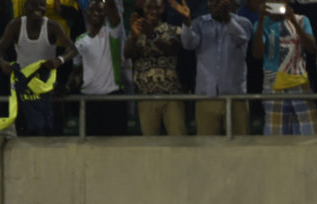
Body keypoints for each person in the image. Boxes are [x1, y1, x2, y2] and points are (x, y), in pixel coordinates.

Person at [0, 0, 78, 136]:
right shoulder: (15, 25)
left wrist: (59, 60)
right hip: (24, 90)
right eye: (34, 4)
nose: (38, 8)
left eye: (42, 5)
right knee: (25, 135)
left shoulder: (52, 26)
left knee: (51, 134)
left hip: (46, 89)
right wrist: (4, 64)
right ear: (26, 6)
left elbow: (72, 49)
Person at [173, 0, 253, 136]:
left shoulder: (243, 22)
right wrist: (187, 22)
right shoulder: (199, 23)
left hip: (235, 97)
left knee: (239, 144)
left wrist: (227, 19)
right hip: (206, 98)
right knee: (207, 145)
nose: (216, 4)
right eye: (213, 1)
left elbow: (242, 38)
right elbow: (188, 44)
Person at [252, 2, 317, 135]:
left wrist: (293, 22)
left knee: (310, 137)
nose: (276, 3)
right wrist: (260, 22)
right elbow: (257, 54)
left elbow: (312, 48)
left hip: (300, 85)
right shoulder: (261, 24)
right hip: (273, 87)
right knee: (275, 140)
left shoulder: (302, 20)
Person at [125, 0, 187, 136]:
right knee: (150, 143)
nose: (152, 11)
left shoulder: (172, 29)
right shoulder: (137, 31)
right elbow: (127, 54)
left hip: (171, 95)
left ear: (163, 8)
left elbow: (171, 49)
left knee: (179, 140)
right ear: (143, 8)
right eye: (148, 7)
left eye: (157, 8)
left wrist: (152, 35)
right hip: (146, 95)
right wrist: (134, 36)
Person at [72, 0, 126, 136]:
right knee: (90, 144)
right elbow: (76, 73)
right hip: (89, 99)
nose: (96, 13)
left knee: (116, 144)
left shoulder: (113, 32)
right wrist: (68, 86)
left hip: (112, 98)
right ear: (87, 13)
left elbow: (113, 10)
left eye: (100, 10)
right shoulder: (80, 40)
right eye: (92, 10)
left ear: (105, 14)